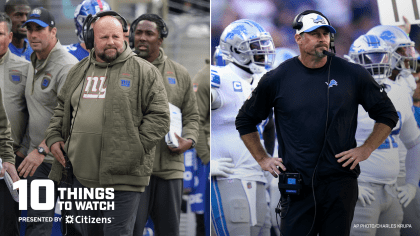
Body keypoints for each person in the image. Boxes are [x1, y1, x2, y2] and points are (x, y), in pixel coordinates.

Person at [235, 10, 399, 236]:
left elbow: (387, 114)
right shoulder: (277, 78)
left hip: (340, 183)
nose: (323, 38)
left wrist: (366, 148)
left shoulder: (352, 73)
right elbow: (245, 120)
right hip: (297, 186)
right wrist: (262, 158)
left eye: (326, 33)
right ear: (298, 38)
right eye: (314, 33)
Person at [45, 11, 170, 236]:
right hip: (82, 178)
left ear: (124, 36)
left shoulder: (144, 71)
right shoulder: (78, 70)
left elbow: (160, 117)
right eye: (104, 37)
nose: (111, 42)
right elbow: (61, 108)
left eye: (116, 36)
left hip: (123, 179)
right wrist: (54, 138)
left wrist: (134, 148)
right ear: (93, 39)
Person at [129, 13, 199, 236]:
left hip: (169, 169)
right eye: (138, 32)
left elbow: (192, 117)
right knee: (131, 230)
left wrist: (188, 140)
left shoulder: (180, 74)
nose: (142, 37)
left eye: (149, 33)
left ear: (161, 39)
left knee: (169, 231)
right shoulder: (122, 69)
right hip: (132, 170)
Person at [347, 34, 420, 236]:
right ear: (353, 61)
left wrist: (411, 184)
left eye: (381, 57)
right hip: (362, 190)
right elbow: (324, 144)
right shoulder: (342, 95)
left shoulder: (398, 93)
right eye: (369, 58)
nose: (377, 64)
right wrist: (347, 184)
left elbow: (414, 143)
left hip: (392, 189)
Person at [210, 19, 276, 236]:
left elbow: (269, 127)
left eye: (264, 46)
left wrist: (270, 160)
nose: (263, 52)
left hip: (256, 177)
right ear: (236, 49)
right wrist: (206, 160)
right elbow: (191, 117)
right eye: (256, 46)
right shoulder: (219, 77)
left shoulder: (263, 81)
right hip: (227, 175)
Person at [17, 7, 78, 236]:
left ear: (53, 31)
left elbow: (70, 117)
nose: (33, 35)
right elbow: (34, 112)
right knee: (36, 227)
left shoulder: (67, 65)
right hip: (38, 162)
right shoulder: (33, 60)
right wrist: (25, 150)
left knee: (73, 228)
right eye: (30, 29)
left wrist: (41, 149)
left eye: (39, 29)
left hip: (63, 162)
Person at [0, 12, 29, 236]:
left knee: (9, 220)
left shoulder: (26, 68)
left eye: (0, 33)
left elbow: (36, 112)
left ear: (9, 36)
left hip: (12, 161)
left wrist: (21, 150)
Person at [192, 60, 211, 236]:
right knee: (204, 217)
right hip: (209, 160)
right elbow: (195, 121)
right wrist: (207, 158)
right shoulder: (205, 76)